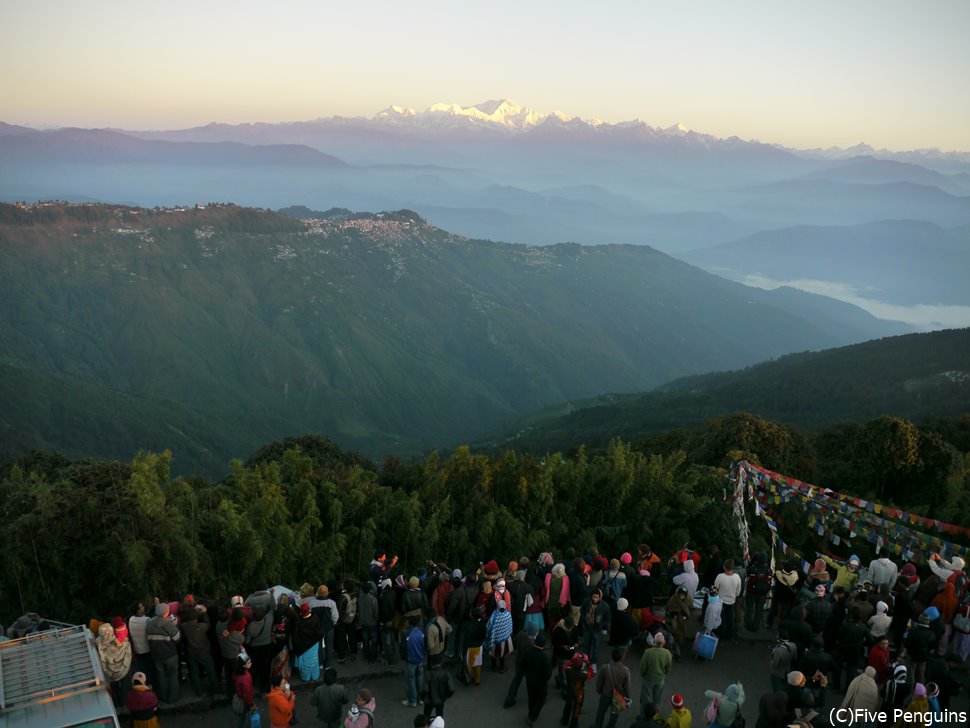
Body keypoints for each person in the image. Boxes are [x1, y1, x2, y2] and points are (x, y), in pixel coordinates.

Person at [146, 602, 180, 704]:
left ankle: (162, 696)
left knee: (160, 675)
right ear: (167, 612)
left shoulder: (149, 623)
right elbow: (177, 638)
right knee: (172, 675)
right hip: (169, 654)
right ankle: (173, 697)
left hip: (156, 654)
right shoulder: (168, 624)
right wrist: (175, 626)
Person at [593, 647, 632, 728]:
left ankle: (597, 726)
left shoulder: (605, 667)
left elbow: (599, 682)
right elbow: (627, 686)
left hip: (606, 694)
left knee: (601, 711)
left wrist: (599, 690)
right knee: (614, 714)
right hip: (619, 696)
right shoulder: (625, 670)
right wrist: (628, 697)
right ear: (622, 657)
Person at [96, 620, 132, 707]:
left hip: (110, 671)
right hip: (124, 669)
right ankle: (124, 703)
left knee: (114, 686)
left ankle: (115, 704)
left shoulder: (99, 643)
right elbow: (128, 655)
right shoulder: (124, 643)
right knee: (125, 685)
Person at [503, 620, 539, 707]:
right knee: (530, 682)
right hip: (527, 665)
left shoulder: (520, 634)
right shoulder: (531, 644)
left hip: (518, 661)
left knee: (516, 680)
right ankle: (535, 699)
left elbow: (515, 640)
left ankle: (509, 699)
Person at [523, 633, 553, 726]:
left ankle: (530, 713)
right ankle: (532, 716)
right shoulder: (544, 657)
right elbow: (548, 673)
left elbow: (523, 666)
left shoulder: (528, 652)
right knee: (541, 699)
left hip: (529, 680)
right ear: (543, 645)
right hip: (540, 683)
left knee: (531, 698)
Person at [639, 632, 672, 710]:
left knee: (645, 699)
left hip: (648, 679)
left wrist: (643, 675)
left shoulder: (648, 652)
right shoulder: (667, 653)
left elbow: (642, 667)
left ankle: (644, 716)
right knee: (657, 699)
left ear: (654, 641)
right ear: (663, 642)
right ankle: (655, 717)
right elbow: (669, 667)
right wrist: (664, 674)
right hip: (660, 679)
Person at [561, 650, 594, 728]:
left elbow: (565, 665)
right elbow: (591, 673)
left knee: (567, 706)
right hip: (579, 693)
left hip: (570, 691)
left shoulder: (568, 671)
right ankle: (573, 724)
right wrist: (588, 663)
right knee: (577, 708)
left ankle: (564, 721)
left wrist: (573, 659)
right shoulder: (583, 675)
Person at [580, 587, 611, 670]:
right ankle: (585, 661)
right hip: (587, 628)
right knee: (586, 646)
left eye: (597, 597)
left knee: (596, 647)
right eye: (594, 597)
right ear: (591, 596)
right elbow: (582, 611)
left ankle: (593, 663)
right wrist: (584, 620)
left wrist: (601, 625)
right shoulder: (586, 602)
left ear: (600, 597)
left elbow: (607, 618)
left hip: (597, 630)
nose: (595, 599)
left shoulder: (604, 606)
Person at [293, 602, 324, 682]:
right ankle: (315, 676)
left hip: (303, 647)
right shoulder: (315, 618)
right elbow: (319, 632)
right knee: (314, 659)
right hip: (314, 644)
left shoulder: (299, 621)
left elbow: (296, 636)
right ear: (309, 610)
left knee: (305, 663)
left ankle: (305, 677)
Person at [713, 560, 743, 640]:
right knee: (729, 618)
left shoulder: (720, 576)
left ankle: (721, 634)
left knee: (720, 618)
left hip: (720, 601)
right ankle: (729, 634)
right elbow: (738, 591)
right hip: (731, 601)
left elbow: (715, 589)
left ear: (724, 567)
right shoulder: (737, 577)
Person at [401, 615, 426, 707]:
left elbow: (403, 648)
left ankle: (412, 701)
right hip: (420, 660)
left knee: (410, 681)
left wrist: (404, 658)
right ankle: (420, 699)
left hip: (411, 661)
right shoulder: (421, 632)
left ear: (410, 624)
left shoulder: (406, 634)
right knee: (420, 679)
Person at [422, 654, 455, 720]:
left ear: (431, 663)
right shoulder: (446, 673)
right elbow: (451, 689)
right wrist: (446, 695)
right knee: (439, 717)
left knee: (426, 716)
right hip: (440, 699)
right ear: (440, 662)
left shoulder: (428, 674)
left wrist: (423, 698)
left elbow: (424, 689)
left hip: (429, 700)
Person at [485, 598, 514, 672]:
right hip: (505, 639)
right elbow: (510, 625)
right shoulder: (508, 614)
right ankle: (502, 668)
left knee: (494, 654)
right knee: (502, 654)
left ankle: (494, 666)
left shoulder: (494, 616)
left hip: (495, 640)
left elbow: (489, 627)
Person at [233, 651, 257, 728]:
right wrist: (252, 705)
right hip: (244, 701)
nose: (251, 663)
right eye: (249, 662)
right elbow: (247, 695)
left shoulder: (237, 672)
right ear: (244, 665)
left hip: (239, 695)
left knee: (242, 716)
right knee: (244, 715)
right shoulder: (246, 677)